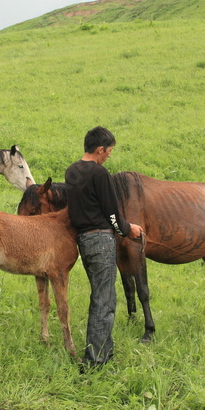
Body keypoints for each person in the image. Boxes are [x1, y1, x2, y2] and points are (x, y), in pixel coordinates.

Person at [65, 126, 143, 369]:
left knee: (102, 294)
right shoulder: (99, 174)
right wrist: (128, 228)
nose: (109, 155)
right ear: (99, 149)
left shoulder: (71, 171)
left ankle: (104, 351)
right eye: (108, 151)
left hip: (83, 241)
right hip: (100, 240)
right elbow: (111, 213)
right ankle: (95, 360)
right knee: (103, 299)